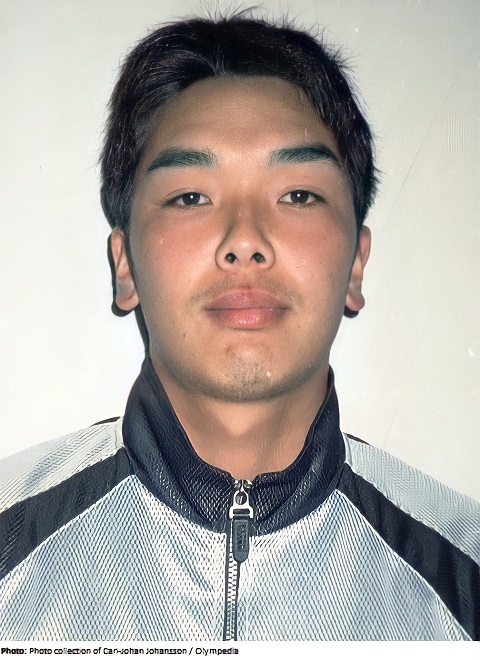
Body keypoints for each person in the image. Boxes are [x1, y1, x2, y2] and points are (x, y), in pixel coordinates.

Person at [0, 13, 478, 642]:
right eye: (191, 197)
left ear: (357, 264)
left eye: (298, 195)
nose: (245, 240)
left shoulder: (463, 574)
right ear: (125, 266)